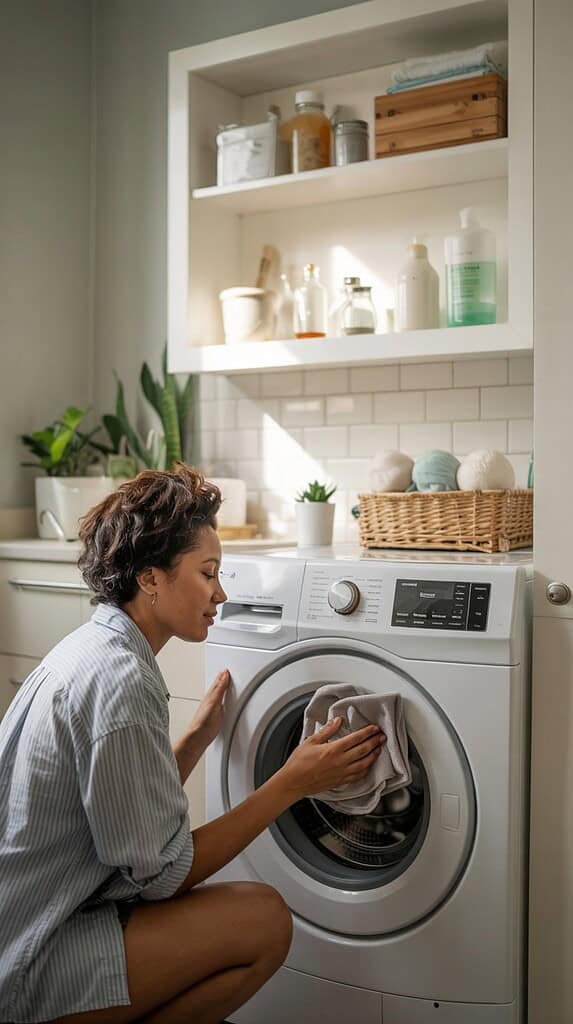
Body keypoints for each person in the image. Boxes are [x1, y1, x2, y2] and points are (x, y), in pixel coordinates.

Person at [0, 464, 385, 1024]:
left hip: (24, 919)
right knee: (265, 921)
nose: (221, 593)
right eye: (208, 573)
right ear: (151, 577)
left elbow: (120, 816)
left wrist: (196, 740)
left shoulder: (93, 647)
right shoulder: (123, 683)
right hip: (34, 953)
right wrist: (293, 783)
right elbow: (161, 876)